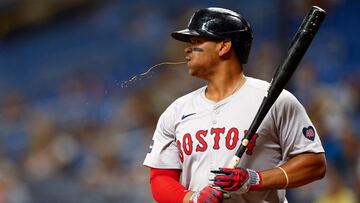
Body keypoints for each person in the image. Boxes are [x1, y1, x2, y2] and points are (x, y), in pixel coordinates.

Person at [143, 7, 326, 203]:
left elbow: (314, 164)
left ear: (224, 46)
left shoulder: (276, 100)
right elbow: (160, 178)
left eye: (197, 41)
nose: (187, 49)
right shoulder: (176, 111)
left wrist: (254, 179)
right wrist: (192, 198)